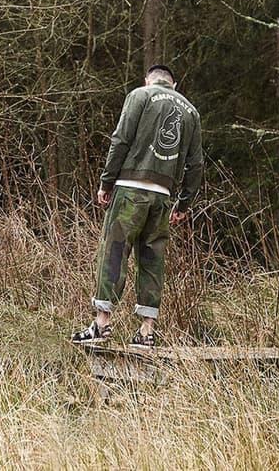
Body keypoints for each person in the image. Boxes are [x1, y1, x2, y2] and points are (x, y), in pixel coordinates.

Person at [71, 64, 203, 348]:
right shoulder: (191, 111)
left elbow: (120, 140)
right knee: (153, 259)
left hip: (131, 188)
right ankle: (146, 331)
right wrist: (184, 202)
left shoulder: (140, 95)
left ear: (149, 80)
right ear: (174, 84)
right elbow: (196, 164)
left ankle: (102, 324)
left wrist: (106, 182)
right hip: (163, 196)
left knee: (115, 251)